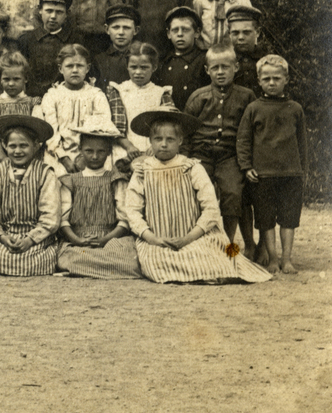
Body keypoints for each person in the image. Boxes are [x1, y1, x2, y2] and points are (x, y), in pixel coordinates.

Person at [126, 109, 270, 284]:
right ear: (150, 140)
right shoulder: (143, 171)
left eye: (170, 139)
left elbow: (211, 209)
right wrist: (151, 238)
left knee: (216, 255)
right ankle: (190, 270)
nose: (163, 144)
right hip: (158, 240)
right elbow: (132, 211)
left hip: (194, 237)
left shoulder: (191, 167)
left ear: (180, 140)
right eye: (158, 139)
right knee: (154, 262)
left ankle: (203, 268)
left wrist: (188, 238)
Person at [184, 43, 257, 260]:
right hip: (201, 154)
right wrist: (186, 159)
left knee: (232, 192)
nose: (220, 72)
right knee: (196, 192)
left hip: (230, 155)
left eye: (225, 67)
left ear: (236, 68)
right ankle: (200, 243)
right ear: (207, 70)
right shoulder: (199, 97)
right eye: (215, 68)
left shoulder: (246, 96)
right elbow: (185, 131)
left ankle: (228, 244)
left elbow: (253, 129)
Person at [237, 55, 307, 274]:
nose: (272, 83)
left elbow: (302, 143)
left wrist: (303, 171)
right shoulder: (253, 108)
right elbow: (243, 140)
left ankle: (287, 259)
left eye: (277, 78)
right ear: (259, 80)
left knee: (289, 219)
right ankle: (273, 259)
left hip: (290, 175)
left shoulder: (295, 108)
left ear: (286, 79)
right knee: (265, 220)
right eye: (266, 78)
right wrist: (247, 166)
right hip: (262, 175)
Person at [0, 115, 61, 276]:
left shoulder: (46, 174)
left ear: (36, 146)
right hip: (5, 238)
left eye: (24, 146)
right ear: (4, 146)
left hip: (36, 239)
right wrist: (3, 238)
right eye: (12, 146)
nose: (18, 151)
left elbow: (50, 216)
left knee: (38, 260)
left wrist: (29, 240)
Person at [55, 117, 142, 279]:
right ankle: (99, 268)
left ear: (109, 151)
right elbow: (63, 220)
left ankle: (84, 268)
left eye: (101, 151)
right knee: (69, 258)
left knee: (131, 261)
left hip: (110, 239)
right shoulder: (70, 181)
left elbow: (124, 219)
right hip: (78, 240)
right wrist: (77, 240)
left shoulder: (116, 179)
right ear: (80, 149)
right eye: (89, 151)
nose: (95, 156)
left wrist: (105, 239)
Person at [37, 44, 113, 174]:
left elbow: (101, 128)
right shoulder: (52, 96)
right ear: (61, 69)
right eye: (69, 66)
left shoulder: (96, 95)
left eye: (80, 66)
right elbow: (50, 131)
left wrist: (84, 157)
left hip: (91, 155)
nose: (75, 70)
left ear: (87, 68)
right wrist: (63, 157)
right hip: (58, 155)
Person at [0, 52, 40, 182]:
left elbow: (39, 132)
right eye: (6, 79)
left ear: (25, 79)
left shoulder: (33, 104)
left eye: (16, 79)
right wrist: (3, 158)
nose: (11, 83)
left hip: (28, 152)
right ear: (0, 79)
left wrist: (26, 157)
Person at [17, 0, 82, 98]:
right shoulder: (26, 40)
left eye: (59, 12)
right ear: (40, 10)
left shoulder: (75, 40)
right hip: (32, 98)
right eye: (49, 11)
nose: (53, 16)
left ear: (67, 14)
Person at [110, 42, 173, 155]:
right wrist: (129, 147)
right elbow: (116, 127)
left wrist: (156, 146)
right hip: (124, 148)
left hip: (155, 149)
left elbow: (169, 126)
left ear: (154, 67)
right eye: (133, 67)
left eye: (144, 67)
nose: (138, 72)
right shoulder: (119, 91)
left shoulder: (161, 93)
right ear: (127, 66)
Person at [154, 6, 209, 111]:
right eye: (175, 30)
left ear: (197, 32)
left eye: (185, 30)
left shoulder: (204, 60)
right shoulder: (163, 62)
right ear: (168, 34)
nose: (180, 34)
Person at [226, 5, 271, 93]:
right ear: (229, 34)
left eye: (246, 32)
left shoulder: (268, 60)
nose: (241, 37)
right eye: (235, 33)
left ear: (257, 32)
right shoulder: (225, 60)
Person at [92, 5, 140, 87]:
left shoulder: (143, 58)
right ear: (107, 29)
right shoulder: (99, 61)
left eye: (126, 28)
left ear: (135, 30)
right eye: (116, 27)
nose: (121, 32)